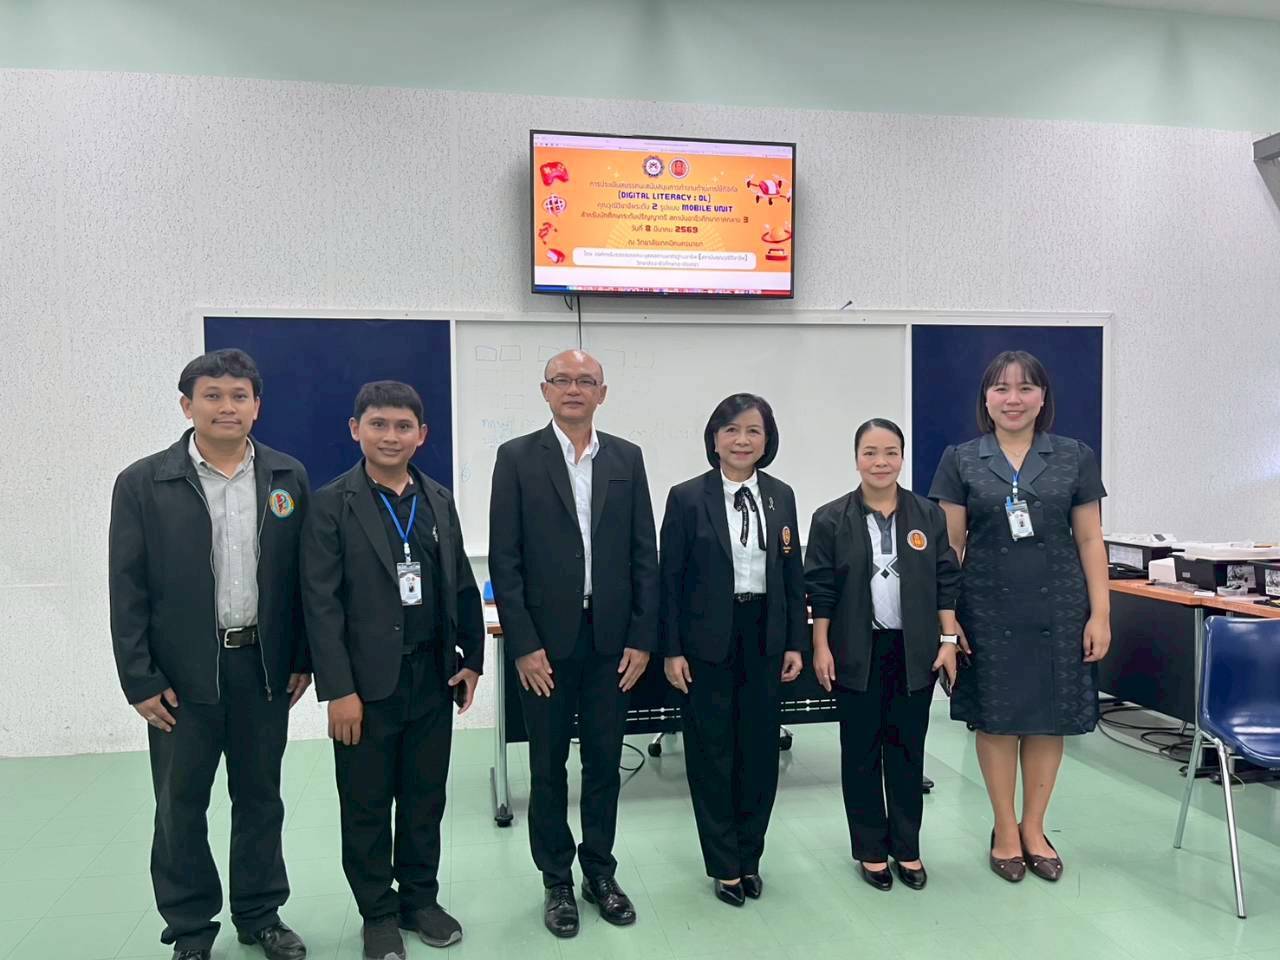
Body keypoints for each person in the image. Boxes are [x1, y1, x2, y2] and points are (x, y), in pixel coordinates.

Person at [108, 349, 311, 960]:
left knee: (261, 799)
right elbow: (127, 588)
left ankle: (260, 914)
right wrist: (139, 679)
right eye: (213, 395)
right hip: (181, 675)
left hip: (263, 668)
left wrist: (302, 657)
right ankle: (191, 930)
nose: (227, 406)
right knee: (179, 806)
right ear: (186, 405)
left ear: (257, 406)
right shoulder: (144, 483)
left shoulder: (287, 476)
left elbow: (303, 578)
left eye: (239, 395)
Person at [302, 381, 484, 958]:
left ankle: (419, 899)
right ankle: (377, 912)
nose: (390, 436)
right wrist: (339, 690)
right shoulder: (331, 503)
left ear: (421, 435)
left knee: (425, 798)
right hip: (364, 687)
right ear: (355, 429)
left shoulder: (438, 498)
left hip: (432, 677)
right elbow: (320, 604)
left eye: (403, 426)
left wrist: (472, 660)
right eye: (378, 424)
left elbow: (460, 582)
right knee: (366, 805)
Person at [488, 350, 659, 939]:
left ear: (602, 393)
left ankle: (600, 873)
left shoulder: (626, 458)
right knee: (547, 766)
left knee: (605, 763)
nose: (574, 389)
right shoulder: (516, 458)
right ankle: (556, 879)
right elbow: (505, 559)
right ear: (545, 390)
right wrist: (523, 644)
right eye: (562, 380)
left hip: (612, 642)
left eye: (586, 381)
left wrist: (642, 636)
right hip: (545, 646)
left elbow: (644, 553)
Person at [928, 350, 1110, 883]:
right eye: (1002, 389)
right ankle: (1005, 829)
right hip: (986, 609)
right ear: (986, 399)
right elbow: (950, 547)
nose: (1014, 399)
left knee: (1050, 719)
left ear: (1042, 397)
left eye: (1026, 388)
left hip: (1061, 608)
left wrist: (1101, 613)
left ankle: (1035, 827)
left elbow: (1090, 539)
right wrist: (948, 620)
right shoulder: (961, 459)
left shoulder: (1074, 456)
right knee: (997, 720)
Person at [658, 394, 807, 906]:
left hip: (765, 635)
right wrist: (672, 649)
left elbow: (792, 573)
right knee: (711, 753)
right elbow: (669, 579)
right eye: (731, 430)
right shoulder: (686, 497)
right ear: (714, 439)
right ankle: (724, 864)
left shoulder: (781, 496)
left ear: (767, 441)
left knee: (760, 754)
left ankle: (750, 858)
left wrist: (795, 641)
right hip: (706, 643)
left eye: (753, 431)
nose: (742, 440)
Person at [804, 418, 961, 892]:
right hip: (856, 650)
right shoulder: (830, 518)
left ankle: (907, 847)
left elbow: (945, 581)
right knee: (861, 753)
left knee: (907, 751)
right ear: (856, 459)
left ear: (902, 457)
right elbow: (820, 589)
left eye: (890, 452)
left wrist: (948, 641)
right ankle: (871, 849)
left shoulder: (927, 514)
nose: (880, 462)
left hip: (914, 651)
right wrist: (821, 646)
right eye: (870, 453)